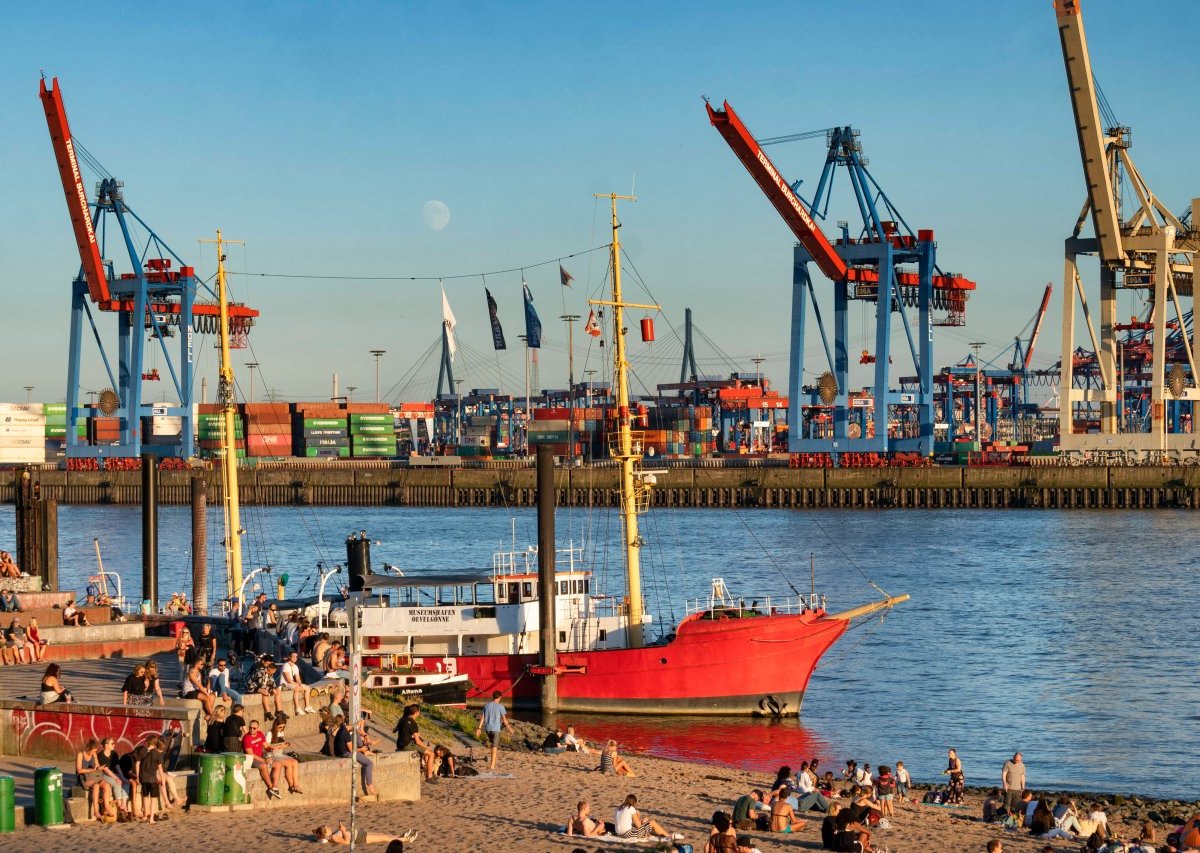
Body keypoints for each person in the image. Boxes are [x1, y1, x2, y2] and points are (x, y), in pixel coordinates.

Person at [333, 713, 377, 797]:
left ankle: (365, 753)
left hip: (340, 752)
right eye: (356, 724)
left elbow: (356, 732)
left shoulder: (343, 728)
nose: (357, 726)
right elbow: (352, 750)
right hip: (345, 753)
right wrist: (362, 749)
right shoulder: (346, 734)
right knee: (368, 763)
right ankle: (369, 784)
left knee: (364, 759)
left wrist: (364, 736)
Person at [243, 718, 284, 800]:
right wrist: (264, 760)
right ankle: (270, 788)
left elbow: (266, 746)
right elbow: (251, 754)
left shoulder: (260, 734)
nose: (251, 729)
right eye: (250, 727)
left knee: (278, 764)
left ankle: (275, 788)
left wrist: (272, 748)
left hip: (261, 757)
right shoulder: (246, 738)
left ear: (257, 728)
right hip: (251, 760)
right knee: (263, 766)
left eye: (254, 728)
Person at [475, 689, 515, 770]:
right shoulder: (501, 706)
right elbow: (504, 719)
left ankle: (492, 763)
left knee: (492, 745)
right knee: (495, 747)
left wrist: (479, 728)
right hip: (496, 729)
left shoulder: (486, 705)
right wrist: (510, 729)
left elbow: (483, 717)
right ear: (499, 697)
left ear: (493, 697)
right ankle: (492, 765)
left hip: (487, 729)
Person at [393, 704, 435, 780]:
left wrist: (407, 732)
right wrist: (428, 748)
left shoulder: (402, 720)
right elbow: (418, 741)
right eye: (419, 711)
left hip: (399, 744)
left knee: (424, 751)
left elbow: (394, 730)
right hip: (407, 745)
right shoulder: (413, 723)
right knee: (431, 754)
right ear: (416, 712)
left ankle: (429, 772)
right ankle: (429, 776)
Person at [76, 738, 112, 820]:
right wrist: (92, 769)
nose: (94, 752)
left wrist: (100, 767)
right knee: (96, 786)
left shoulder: (94, 754)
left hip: (93, 776)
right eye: (93, 751)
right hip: (83, 778)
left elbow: (97, 766)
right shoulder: (80, 754)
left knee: (106, 785)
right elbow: (79, 770)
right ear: (89, 748)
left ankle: (106, 808)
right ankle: (96, 811)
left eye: (95, 751)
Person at [265, 718, 303, 795]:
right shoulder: (269, 733)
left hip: (280, 754)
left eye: (283, 727)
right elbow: (266, 747)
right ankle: (291, 786)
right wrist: (277, 747)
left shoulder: (281, 732)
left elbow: (281, 745)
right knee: (288, 764)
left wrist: (285, 745)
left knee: (295, 762)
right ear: (275, 725)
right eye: (280, 727)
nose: (281, 729)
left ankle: (295, 784)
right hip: (273, 755)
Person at [98, 737, 133, 818]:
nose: (114, 745)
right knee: (116, 783)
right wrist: (116, 778)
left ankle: (123, 804)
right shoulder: (100, 755)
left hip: (113, 773)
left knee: (126, 782)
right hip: (104, 774)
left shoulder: (114, 753)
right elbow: (106, 769)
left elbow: (117, 766)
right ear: (106, 745)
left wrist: (122, 777)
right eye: (112, 743)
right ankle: (120, 806)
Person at [136, 735, 164, 823]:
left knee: (145, 797)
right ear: (155, 743)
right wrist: (162, 779)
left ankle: (145, 815)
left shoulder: (141, 751)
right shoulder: (157, 753)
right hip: (152, 779)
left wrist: (137, 776)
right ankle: (151, 818)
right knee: (153, 799)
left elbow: (137, 764)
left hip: (143, 778)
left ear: (147, 742)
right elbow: (160, 768)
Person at [313, 824, 418, 846]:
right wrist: (343, 830)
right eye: (328, 828)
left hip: (359, 834)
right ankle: (407, 839)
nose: (330, 827)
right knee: (384, 838)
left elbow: (320, 838)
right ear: (326, 833)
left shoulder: (331, 835)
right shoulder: (334, 837)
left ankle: (400, 836)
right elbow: (346, 842)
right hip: (359, 838)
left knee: (382, 834)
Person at [280, 650, 312, 715]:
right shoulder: (286, 665)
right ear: (289, 657)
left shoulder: (295, 666)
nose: (295, 658)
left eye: (296, 657)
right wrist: (297, 685)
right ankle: (297, 708)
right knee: (297, 687)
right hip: (284, 684)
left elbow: (298, 678)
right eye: (293, 657)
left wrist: (300, 684)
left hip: (291, 683)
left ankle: (307, 706)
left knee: (307, 688)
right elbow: (288, 679)